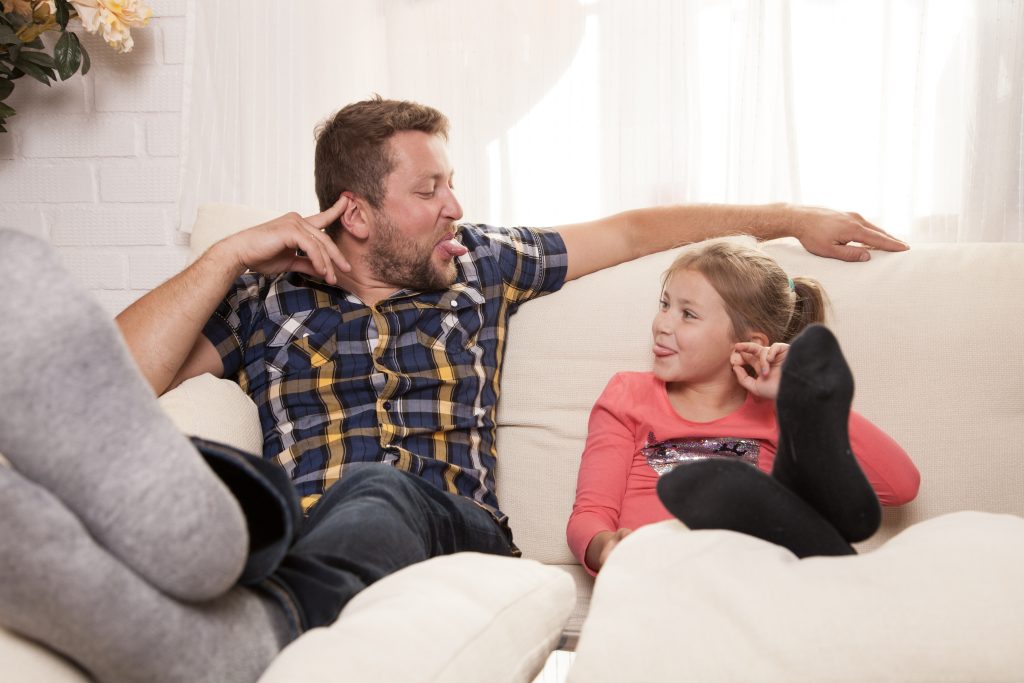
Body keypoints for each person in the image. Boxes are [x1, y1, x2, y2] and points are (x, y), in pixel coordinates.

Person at [0, 97, 909, 683]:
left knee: (382, 486)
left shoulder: (482, 264)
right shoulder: (267, 300)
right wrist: (229, 254)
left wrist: (788, 217)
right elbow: (110, 384)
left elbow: (634, 228)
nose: (455, 206)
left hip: (459, 532)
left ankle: (244, 619)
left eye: (452, 183)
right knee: (250, 491)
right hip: (310, 532)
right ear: (355, 212)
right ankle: (187, 554)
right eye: (430, 188)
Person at [567, 241, 921, 574]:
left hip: (751, 580)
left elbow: (900, 486)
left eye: (687, 314)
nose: (663, 324)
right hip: (657, 577)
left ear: (749, 343)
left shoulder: (775, 412)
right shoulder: (628, 394)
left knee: (812, 525)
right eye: (664, 305)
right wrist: (607, 547)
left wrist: (796, 397)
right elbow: (590, 514)